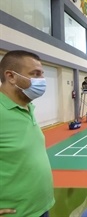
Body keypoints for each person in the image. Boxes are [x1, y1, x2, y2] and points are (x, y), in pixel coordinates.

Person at [0, 50, 55, 217]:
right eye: (35, 74)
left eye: (42, 74)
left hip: (41, 208)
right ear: (11, 76)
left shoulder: (28, 106)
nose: (41, 80)